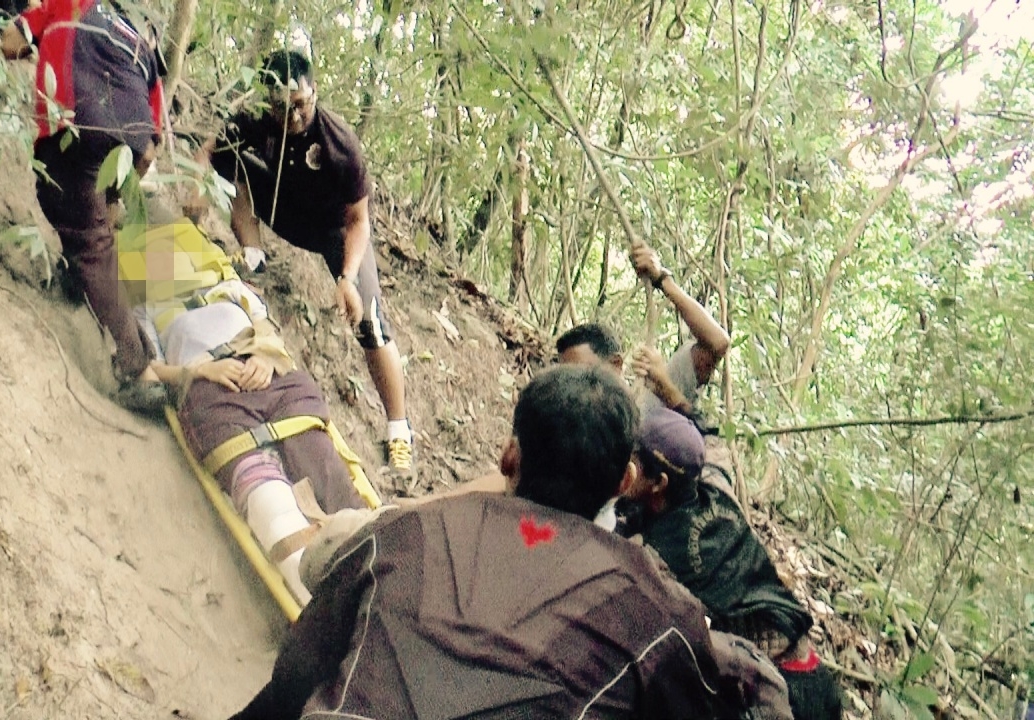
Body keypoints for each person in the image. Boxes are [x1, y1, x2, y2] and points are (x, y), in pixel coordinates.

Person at [229, 365, 743, 720]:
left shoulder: (402, 533)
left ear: (508, 457)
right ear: (624, 482)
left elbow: (296, 674)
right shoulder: (658, 614)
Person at [190, 49, 413, 478]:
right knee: (230, 160)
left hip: (333, 231)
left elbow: (359, 222)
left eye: (300, 105)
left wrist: (347, 278)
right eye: (281, 107)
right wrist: (194, 192)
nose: (291, 116)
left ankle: (399, 430)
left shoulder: (339, 145)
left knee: (371, 323)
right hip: (284, 210)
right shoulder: (258, 117)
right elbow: (210, 150)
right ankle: (252, 255)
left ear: (313, 93)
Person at [141, 275, 371, 604]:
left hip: (273, 381)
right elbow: (147, 369)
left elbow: (267, 331)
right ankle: (317, 607)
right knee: (269, 503)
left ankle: (372, 580)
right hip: (212, 394)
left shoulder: (230, 287)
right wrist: (198, 372)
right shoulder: (144, 306)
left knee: (330, 480)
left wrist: (265, 356)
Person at [622, 408, 843, 720]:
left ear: (659, 483)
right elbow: (712, 442)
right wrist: (672, 393)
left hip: (781, 691)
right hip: (810, 673)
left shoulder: (658, 556)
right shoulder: (715, 491)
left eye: (631, 460)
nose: (623, 464)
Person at [0, 0, 166, 410]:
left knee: (88, 236)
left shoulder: (64, 3)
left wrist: (34, 38)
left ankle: (138, 369)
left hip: (74, 126)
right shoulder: (140, 38)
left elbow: (8, 43)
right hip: (128, 140)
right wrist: (113, 200)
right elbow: (148, 149)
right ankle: (78, 281)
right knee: (90, 224)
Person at [556, 242, 730, 427]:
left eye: (583, 375)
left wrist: (662, 279)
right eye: (567, 378)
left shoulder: (652, 397)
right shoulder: (569, 429)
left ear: (616, 364)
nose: (574, 387)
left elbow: (718, 342)